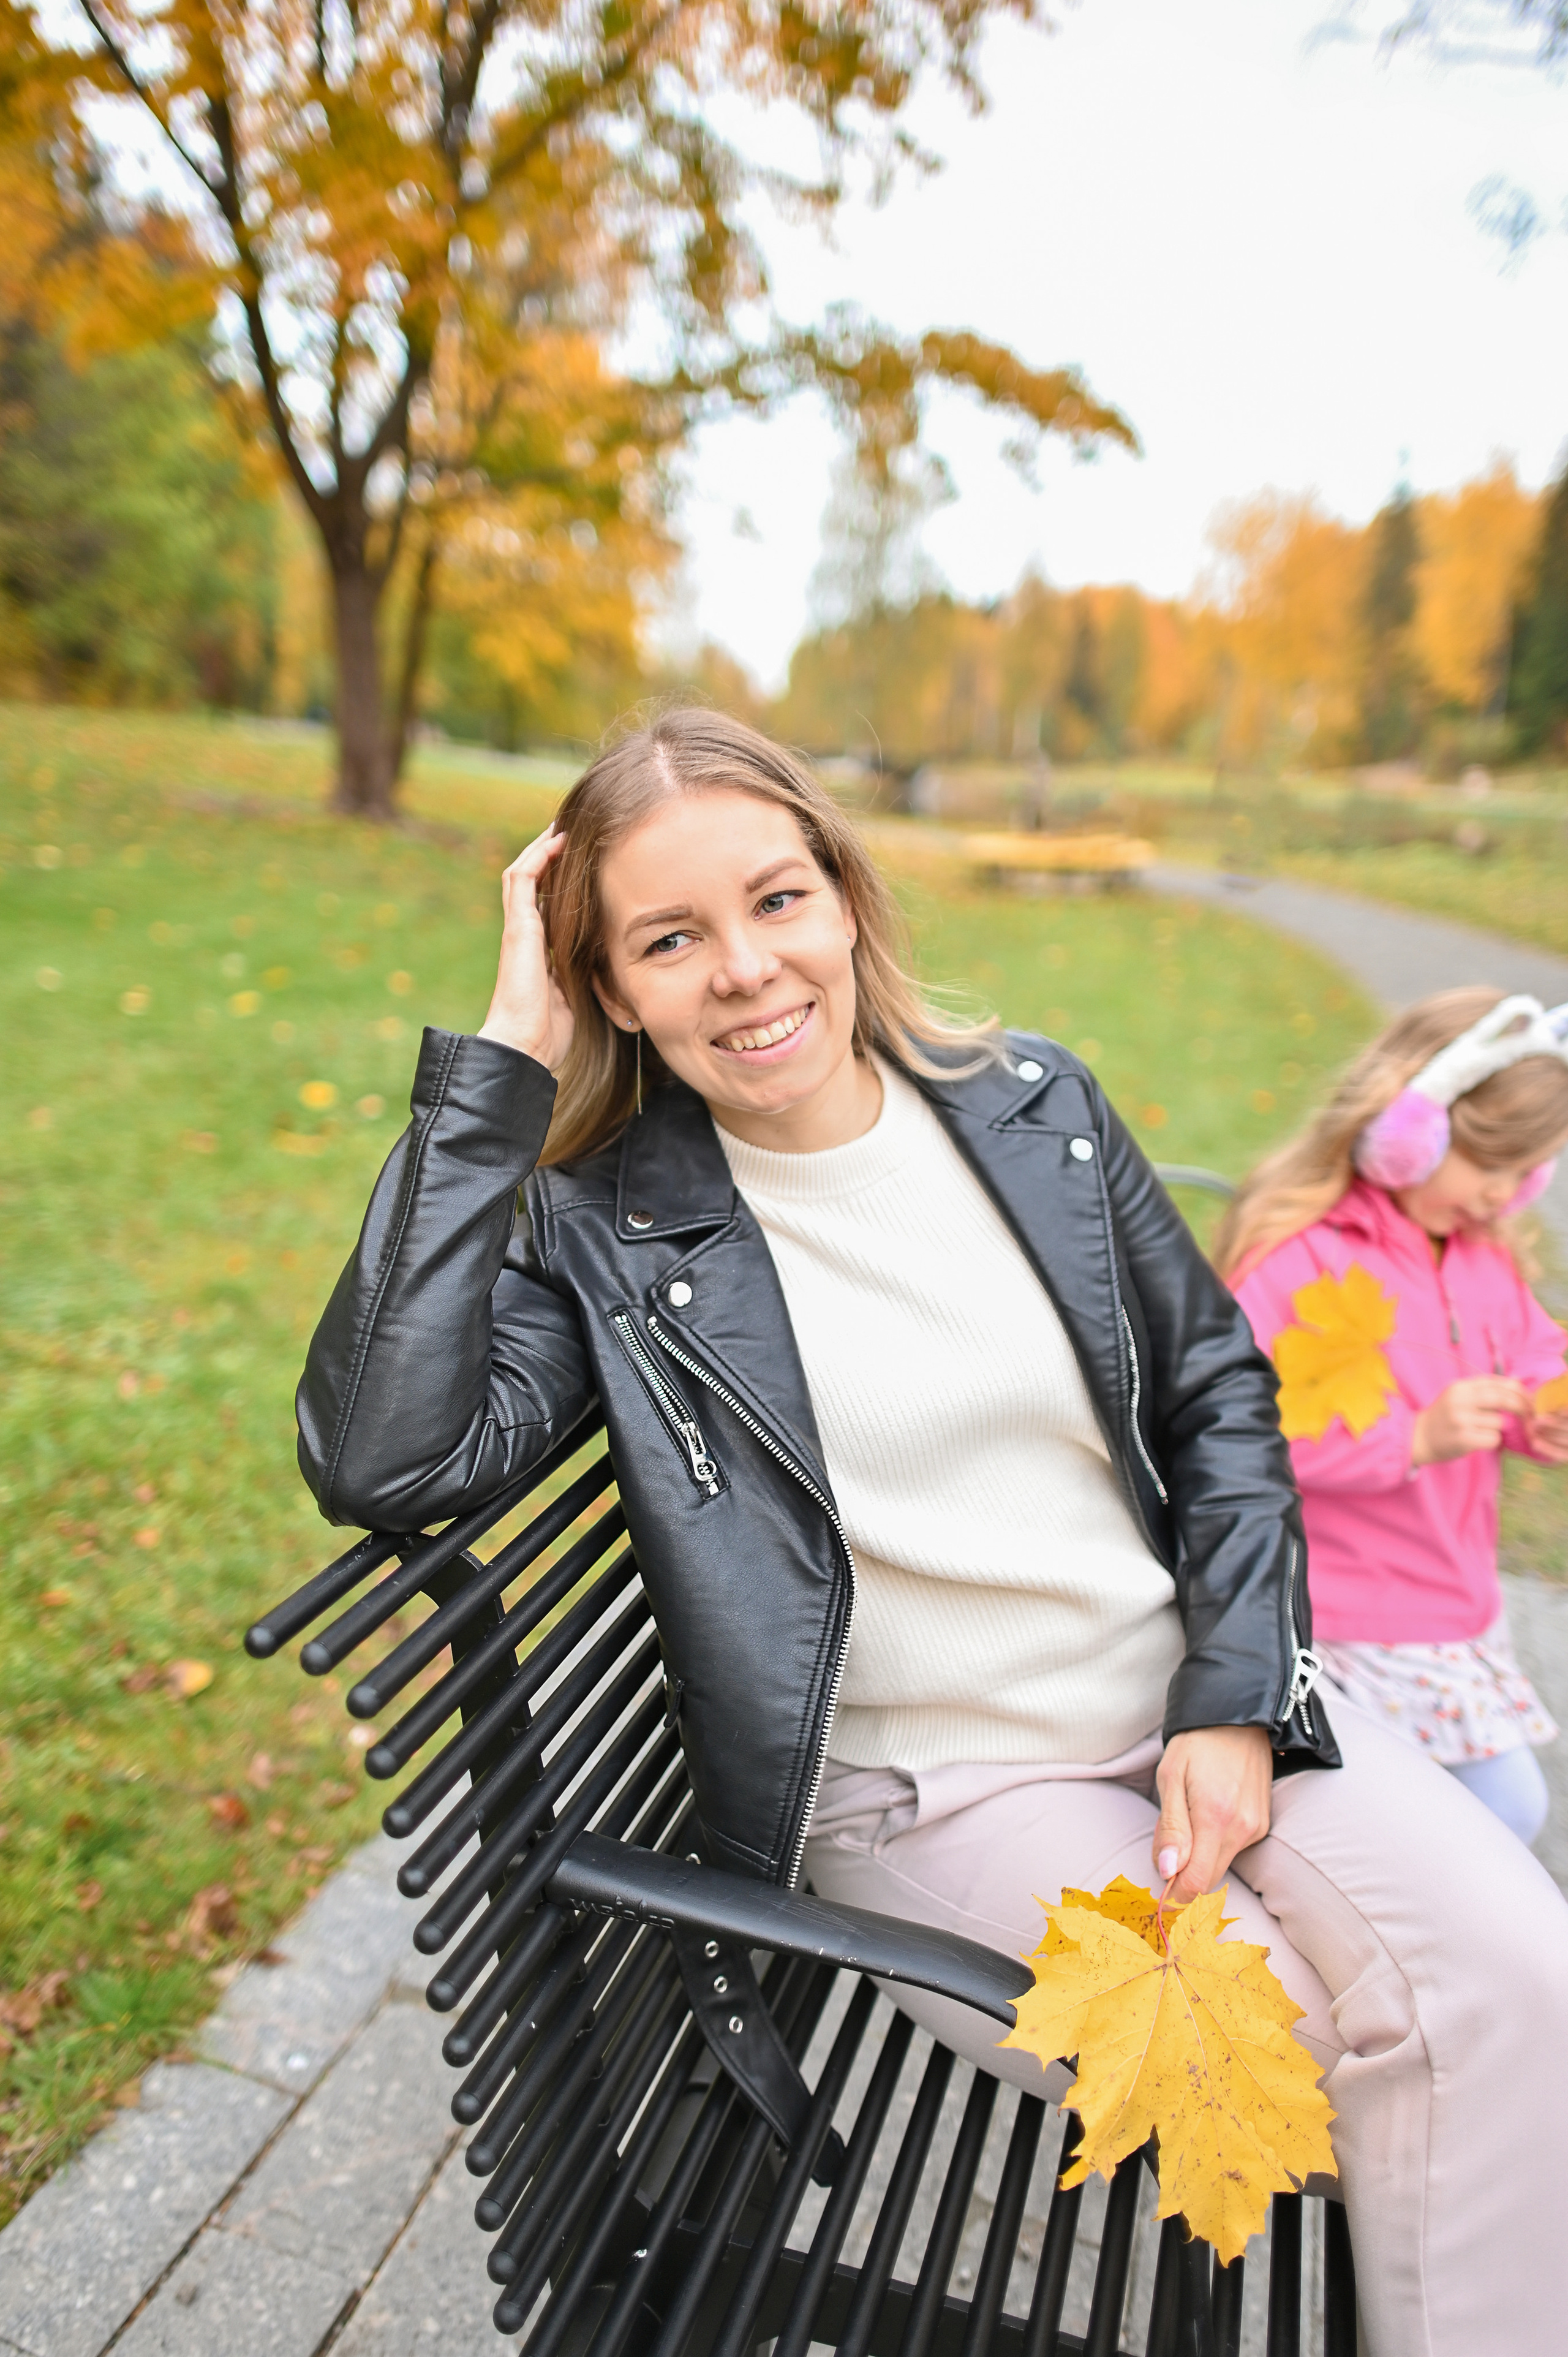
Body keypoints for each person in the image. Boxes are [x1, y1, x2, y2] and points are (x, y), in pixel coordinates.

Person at [298, 710, 1568, 2356]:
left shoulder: (1031, 1106)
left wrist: (1234, 1690)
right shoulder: (601, 1231)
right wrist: (502, 1067)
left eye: (777, 902)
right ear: (611, 985)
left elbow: (1219, 1400)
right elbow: (381, 1454)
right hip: (950, 1794)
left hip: (1202, 1705)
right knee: (1317, 2061)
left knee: (1527, 1996)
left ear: (843, 896)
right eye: (669, 939)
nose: (748, 972)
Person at [1217, 988, 1568, 1845]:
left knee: (1471, 1823)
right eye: (1491, 1166)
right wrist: (1411, 1439)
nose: (1504, 1195)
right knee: (1496, 1814)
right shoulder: (1301, 1258)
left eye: (1527, 1173)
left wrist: (1542, 1413)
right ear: (1413, 1133)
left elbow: (1530, 1354)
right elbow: (1238, 1438)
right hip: (1349, 1619)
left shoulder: (1480, 1256)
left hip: (1453, 1604)